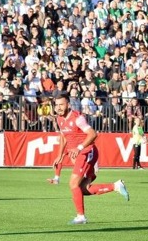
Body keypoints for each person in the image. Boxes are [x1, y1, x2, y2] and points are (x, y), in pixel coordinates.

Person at [51, 94, 129, 225]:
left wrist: (79, 147)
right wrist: (59, 155)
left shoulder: (77, 118)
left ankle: (81, 217)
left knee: (73, 184)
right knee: (83, 189)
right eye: (56, 105)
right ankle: (116, 186)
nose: (58, 107)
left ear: (68, 105)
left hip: (87, 152)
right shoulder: (59, 119)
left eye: (61, 104)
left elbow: (93, 134)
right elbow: (63, 136)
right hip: (81, 154)